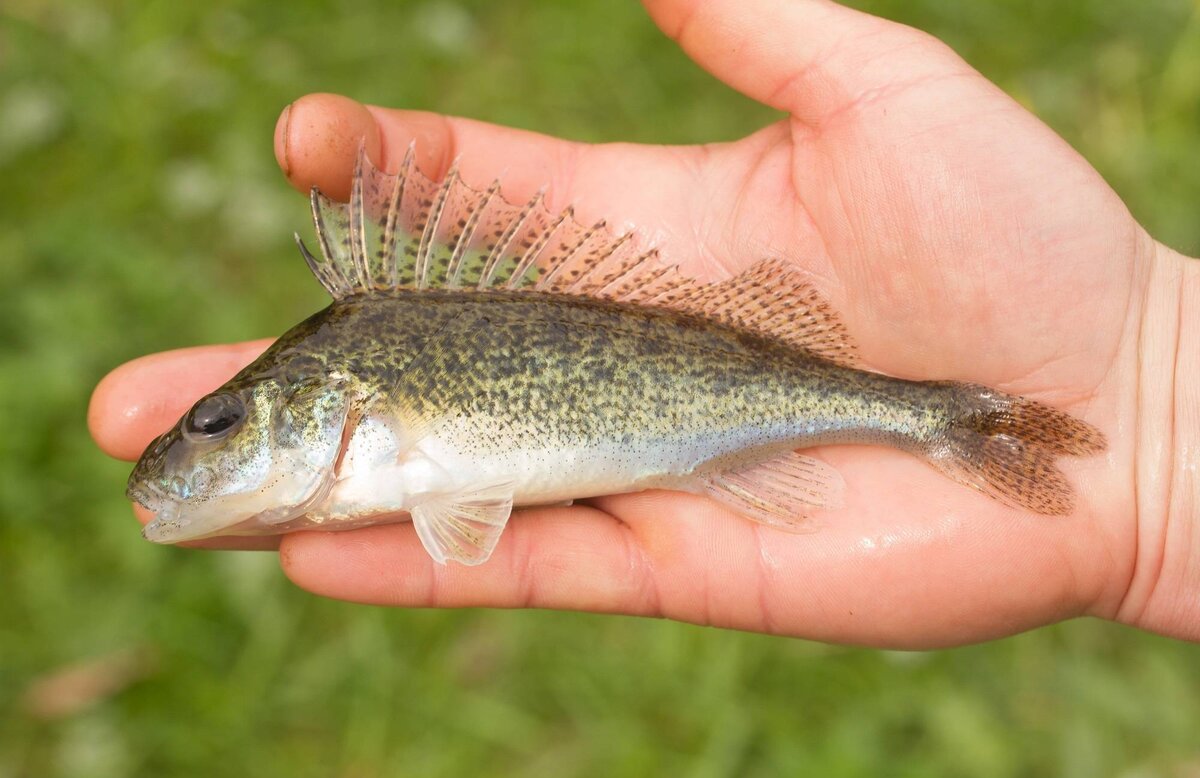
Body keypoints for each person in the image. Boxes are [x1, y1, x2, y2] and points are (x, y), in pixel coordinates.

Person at [88, 0, 1197, 646]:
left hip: (773, 394)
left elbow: (454, 502)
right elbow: (458, 507)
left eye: (218, 422)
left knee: (931, 416)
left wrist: (1156, 396)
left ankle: (939, 420)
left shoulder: (366, 363)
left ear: (323, 402)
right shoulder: (355, 368)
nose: (200, 441)